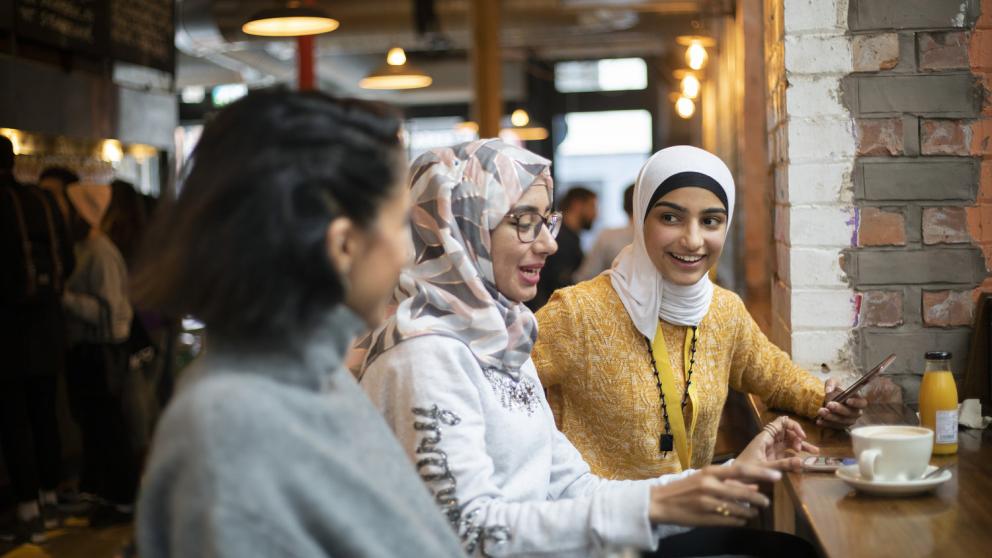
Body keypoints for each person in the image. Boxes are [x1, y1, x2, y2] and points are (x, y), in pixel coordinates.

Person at [357, 139, 816, 557]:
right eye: (523, 223)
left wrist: (727, 476)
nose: (549, 243)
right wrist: (656, 504)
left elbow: (572, 487)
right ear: (460, 229)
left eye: (545, 221)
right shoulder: (424, 356)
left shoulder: (501, 337)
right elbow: (470, 533)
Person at [133, 88, 465, 558]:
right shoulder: (232, 428)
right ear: (343, 245)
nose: (408, 253)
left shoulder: (313, 378)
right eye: (399, 225)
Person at [532, 146, 867, 481]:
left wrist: (829, 401)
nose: (693, 240)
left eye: (710, 221)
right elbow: (492, 392)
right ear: (640, 219)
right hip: (607, 525)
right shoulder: (578, 313)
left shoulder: (723, 310)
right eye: (670, 218)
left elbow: (777, 379)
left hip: (696, 512)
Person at [0, 135, 74, 544]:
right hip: (47, 330)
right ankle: (50, 496)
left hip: (7, 334)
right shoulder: (41, 201)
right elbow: (69, 261)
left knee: (14, 421)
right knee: (44, 413)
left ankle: (27, 508)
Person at [61, 181, 138, 524]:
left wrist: (64, 298)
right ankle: (106, 493)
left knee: (108, 426)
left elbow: (108, 309)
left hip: (101, 350)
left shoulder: (99, 252)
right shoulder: (88, 248)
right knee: (100, 426)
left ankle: (121, 498)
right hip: (93, 349)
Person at [529, 185, 597, 310]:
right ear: (577, 205)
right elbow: (557, 283)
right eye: (592, 206)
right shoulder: (560, 238)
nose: (596, 214)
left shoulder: (566, 234)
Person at [574, 183, 635, 281]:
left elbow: (586, 277)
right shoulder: (660, 239)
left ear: (624, 206)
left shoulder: (608, 237)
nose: (596, 214)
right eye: (593, 206)